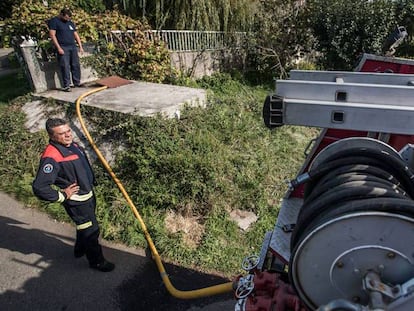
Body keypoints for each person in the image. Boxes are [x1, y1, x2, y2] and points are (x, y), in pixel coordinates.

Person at [32, 118, 115, 272]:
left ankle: (79, 247)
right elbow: (40, 187)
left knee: (85, 226)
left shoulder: (73, 145)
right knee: (91, 230)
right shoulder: (52, 156)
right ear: (52, 136)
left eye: (68, 131)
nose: (68, 135)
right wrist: (62, 195)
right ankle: (97, 261)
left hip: (88, 194)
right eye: (62, 134)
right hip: (77, 202)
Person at [48, 8, 84, 92]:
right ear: (61, 15)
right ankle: (66, 85)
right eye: (66, 18)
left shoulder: (70, 23)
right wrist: (59, 48)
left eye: (69, 18)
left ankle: (77, 82)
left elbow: (76, 34)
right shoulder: (54, 21)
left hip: (72, 46)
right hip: (63, 47)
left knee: (75, 65)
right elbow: (52, 35)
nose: (67, 19)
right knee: (65, 66)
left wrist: (80, 46)